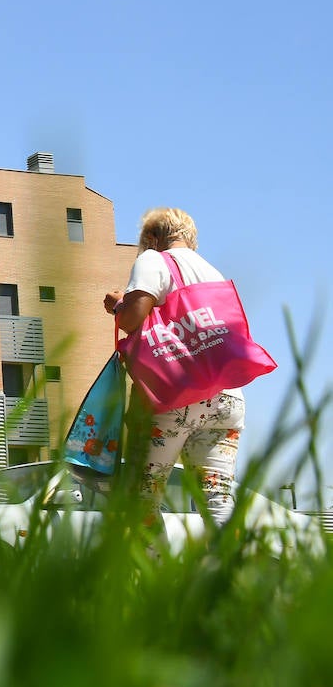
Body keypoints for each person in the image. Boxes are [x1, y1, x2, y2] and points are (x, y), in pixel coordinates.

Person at [104, 207, 244, 523]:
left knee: (141, 503)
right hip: (226, 399)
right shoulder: (212, 271)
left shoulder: (154, 259)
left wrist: (118, 306)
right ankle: (233, 571)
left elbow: (132, 318)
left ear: (153, 237)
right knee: (217, 502)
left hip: (171, 400)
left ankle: (151, 569)